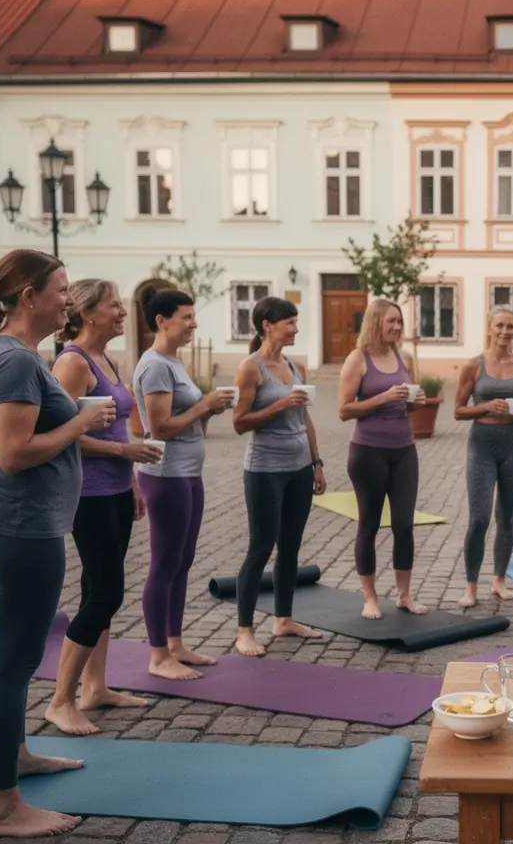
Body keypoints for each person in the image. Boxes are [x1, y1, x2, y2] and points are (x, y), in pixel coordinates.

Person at [0, 249, 116, 837]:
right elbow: (11, 453)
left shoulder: (16, 357)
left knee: (18, 659)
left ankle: (17, 758)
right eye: (60, 290)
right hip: (22, 527)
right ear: (28, 297)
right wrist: (80, 422)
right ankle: (2, 807)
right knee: (12, 667)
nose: (68, 300)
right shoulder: (15, 363)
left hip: (26, 524)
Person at [42, 281, 162, 735]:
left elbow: (116, 432)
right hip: (86, 494)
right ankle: (60, 700)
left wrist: (129, 481)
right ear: (89, 313)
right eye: (114, 305)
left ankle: (95, 689)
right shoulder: (72, 363)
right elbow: (60, 436)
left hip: (113, 490)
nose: (122, 311)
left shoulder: (107, 359)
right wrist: (122, 457)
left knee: (97, 589)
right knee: (106, 593)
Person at [132, 286, 234, 680]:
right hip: (165, 475)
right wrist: (203, 405)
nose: (194, 324)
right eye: (187, 317)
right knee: (164, 563)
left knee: (183, 561)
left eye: (194, 316)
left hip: (189, 473)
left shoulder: (174, 361)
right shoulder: (156, 365)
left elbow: (187, 420)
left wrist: (208, 411)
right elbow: (158, 428)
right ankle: (158, 656)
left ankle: (174, 643)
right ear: (162, 320)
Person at [232, 296, 326, 657]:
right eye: (289, 322)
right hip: (264, 470)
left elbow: (305, 417)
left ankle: (283, 619)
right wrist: (278, 405)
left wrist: (316, 462)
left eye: (296, 321)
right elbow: (239, 423)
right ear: (267, 325)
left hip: (300, 467)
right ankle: (244, 629)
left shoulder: (294, 365)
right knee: (261, 546)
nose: (296, 328)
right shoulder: (250, 368)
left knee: (290, 546)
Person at [338, 298, 427, 620]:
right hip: (368, 452)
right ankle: (370, 597)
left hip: (404, 450)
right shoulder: (357, 360)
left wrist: (418, 400)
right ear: (376, 322)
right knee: (370, 524)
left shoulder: (403, 357)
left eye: (400, 322)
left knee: (404, 524)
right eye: (391, 321)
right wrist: (384, 397)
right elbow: (344, 410)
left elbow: (410, 404)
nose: (397, 327)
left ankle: (404, 595)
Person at [453, 307, 513, 607]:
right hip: (482, 444)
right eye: (499, 325)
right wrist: (488, 408)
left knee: (507, 518)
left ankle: (499, 580)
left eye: (510, 327)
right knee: (479, 519)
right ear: (489, 328)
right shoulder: (473, 366)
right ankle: (471, 586)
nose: (505, 331)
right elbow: (458, 411)